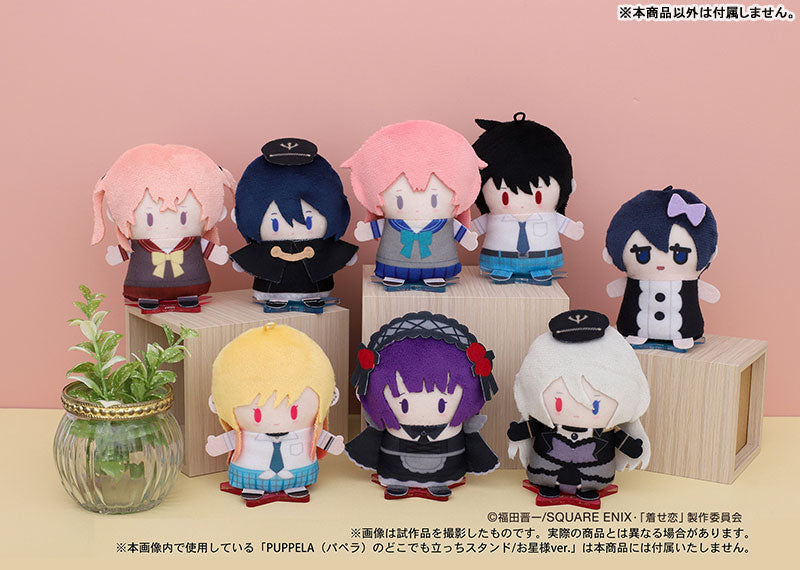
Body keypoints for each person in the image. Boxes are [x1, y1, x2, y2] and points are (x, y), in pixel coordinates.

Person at [206, 323, 345, 506]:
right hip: (251, 472)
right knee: (252, 482)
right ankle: (252, 488)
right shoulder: (246, 434)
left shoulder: (306, 431)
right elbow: (232, 439)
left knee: (297, 480)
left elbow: (319, 437)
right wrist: (218, 444)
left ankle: (295, 487)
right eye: (257, 415)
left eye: (294, 412)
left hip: (299, 470)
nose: (277, 423)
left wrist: (331, 443)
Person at [91, 144, 234, 311]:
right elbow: (127, 249)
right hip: (143, 283)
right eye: (149, 218)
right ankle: (148, 298)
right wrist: (118, 253)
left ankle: (187, 297)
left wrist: (215, 252)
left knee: (190, 291)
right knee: (146, 293)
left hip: (191, 282)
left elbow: (206, 248)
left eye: (183, 216)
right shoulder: (138, 244)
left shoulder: (193, 241)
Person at [471, 113, 584, 283]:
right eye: (505, 197)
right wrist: (465, 233)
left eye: (538, 196)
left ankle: (540, 270)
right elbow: (475, 228)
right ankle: (502, 269)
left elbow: (564, 224)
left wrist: (573, 229)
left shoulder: (549, 216)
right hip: (499, 256)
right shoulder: (493, 217)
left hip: (544, 256)